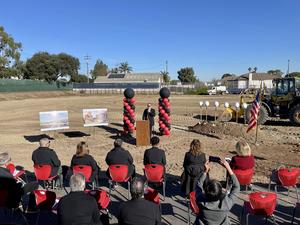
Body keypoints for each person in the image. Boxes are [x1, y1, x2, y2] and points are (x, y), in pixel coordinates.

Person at [195, 160, 240, 225]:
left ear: (206, 192)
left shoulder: (200, 200)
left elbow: (199, 184)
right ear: (221, 192)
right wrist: (228, 168)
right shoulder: (227, 203)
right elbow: (236, 186)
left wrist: (205, 172)